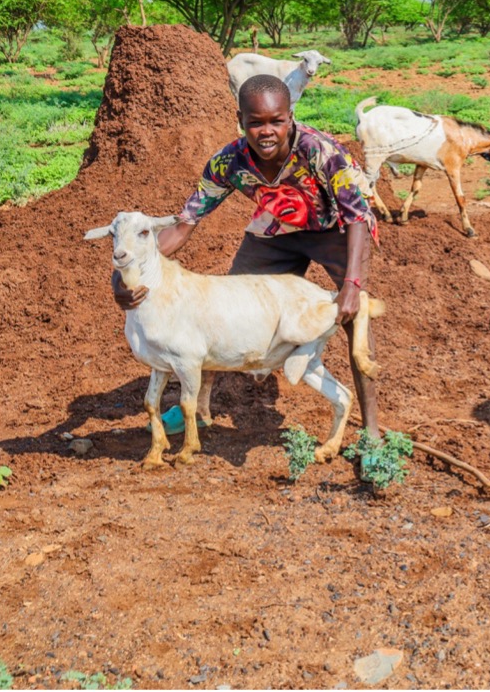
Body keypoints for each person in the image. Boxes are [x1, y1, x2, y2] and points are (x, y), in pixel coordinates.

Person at [113, 73, 381, 438]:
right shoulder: (228, 162)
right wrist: (125, 275)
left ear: (290, 117)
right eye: (255, 123)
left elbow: (357, 216)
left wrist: (351, 283)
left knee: (353, 315)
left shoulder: (319, 151)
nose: (266, 131)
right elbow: (182, 226)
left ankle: (371, 430)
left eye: (276, 121)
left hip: (336, 230)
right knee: (220, 311)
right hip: (276, 231)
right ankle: (200, 408)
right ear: (241, 121)